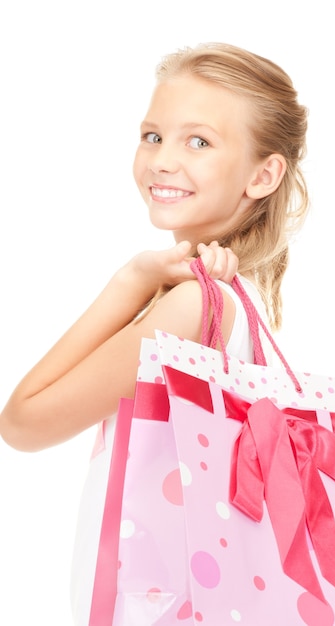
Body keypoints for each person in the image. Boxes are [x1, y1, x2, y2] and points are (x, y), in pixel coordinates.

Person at [0, 42, 308, 623]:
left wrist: (127, 283)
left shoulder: (193, 307)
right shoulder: (246, 298)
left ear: (264, 174)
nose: (163, 160)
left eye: (199, 141)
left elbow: (21, 422)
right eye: (152, 135)